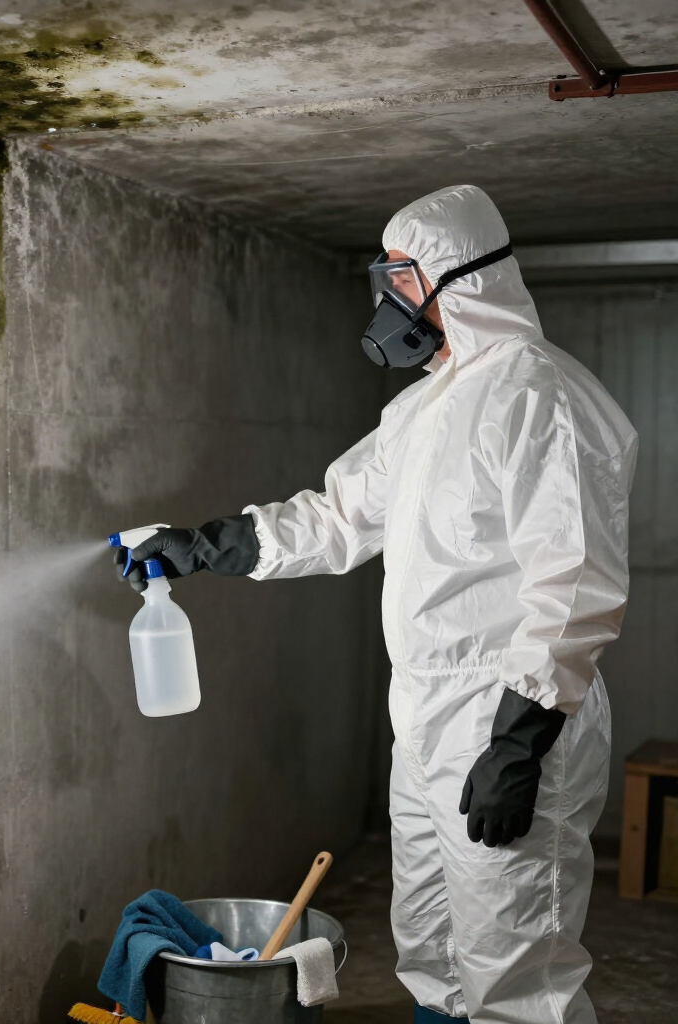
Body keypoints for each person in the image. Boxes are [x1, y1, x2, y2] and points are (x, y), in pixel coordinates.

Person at [115, 185, 638, 1024]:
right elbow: (336, 517)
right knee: (430, 947)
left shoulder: (540, 399)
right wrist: (202, 544)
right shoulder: (426, 407)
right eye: (386, 278)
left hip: (506, 715)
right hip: (427, 715)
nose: (389, 301)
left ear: (457, 282)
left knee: (516, 971)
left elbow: (573, 586)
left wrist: (519, 742)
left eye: (403, 278)